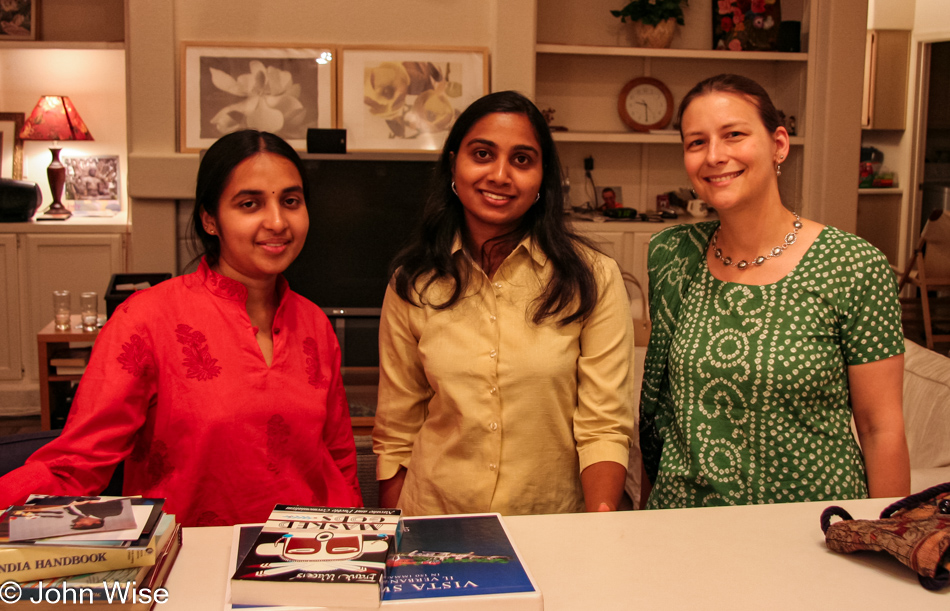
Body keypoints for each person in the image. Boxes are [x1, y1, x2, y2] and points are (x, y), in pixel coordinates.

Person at [0, 130, 362, 526]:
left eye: (290, 201)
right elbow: (77, 462)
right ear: (210, 219)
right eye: (249, 203)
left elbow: (339, 459)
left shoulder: (315, 325)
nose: (277, 221)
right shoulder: (146, 319)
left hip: (310, 558)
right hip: (185, 562)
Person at [639, 74, 910, 509]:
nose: (714, 156)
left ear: (778, 144)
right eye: (696, 142)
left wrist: (891, 538)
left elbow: (882, 429)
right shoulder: (672, 254)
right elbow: (660, 413)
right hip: (682, 529)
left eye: (734, 135)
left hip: (813, 532)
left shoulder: (854, 266)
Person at [372, 91, 636, 516]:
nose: (500, 174)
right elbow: (396, 431)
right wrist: (397, 533)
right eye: (482, 154)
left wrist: (599, 525)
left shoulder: (593, 278)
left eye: (522, 159)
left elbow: (603, 426)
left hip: (550, 521)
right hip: (436, 518)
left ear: (542, 179)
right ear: (454, 166)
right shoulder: (413, 283)